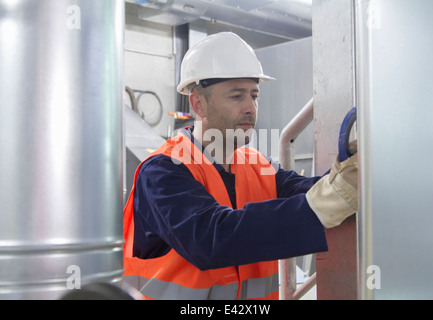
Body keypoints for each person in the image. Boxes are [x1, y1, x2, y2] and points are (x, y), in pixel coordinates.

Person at [122, 32, 358, 300]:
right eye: (236, 96)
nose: (250, 107)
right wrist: (332, 197)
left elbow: (317, 192)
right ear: (198, 104)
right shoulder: (162, 171)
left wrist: (350, 171)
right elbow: (210, 239)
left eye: (254, 95)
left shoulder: (260, 167)